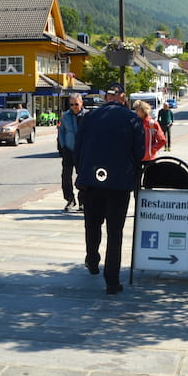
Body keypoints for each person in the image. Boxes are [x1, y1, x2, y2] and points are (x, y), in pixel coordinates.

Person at [74, 81, 143, 295]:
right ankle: (112, 280)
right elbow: (139, 152)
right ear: (123, 97)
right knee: (115, 231)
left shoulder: (89, 117)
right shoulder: (132, 118)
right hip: (119, 182)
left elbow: (78, 149)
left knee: (92, 224)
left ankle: (92, 260)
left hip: (92, 180)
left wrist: (81, 173)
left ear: (106, 98)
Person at [56, 93, 85, 212]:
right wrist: (63, 146)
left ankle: (83, 201)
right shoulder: (66, 116)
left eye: (76, 104)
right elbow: (61, 131)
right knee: (66, 176)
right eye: (71, 104)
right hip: (68, 149)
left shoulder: (87, 116)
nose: (73, 107)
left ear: (81, 103)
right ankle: (70, 199)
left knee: (83, 176)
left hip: (83, 151)